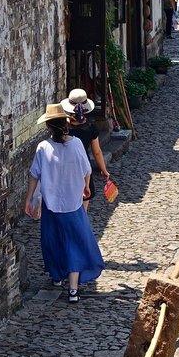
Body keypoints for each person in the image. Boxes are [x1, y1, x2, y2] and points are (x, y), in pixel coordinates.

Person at [24, 104, 104, 303]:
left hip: (51, 206)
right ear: (65, 122)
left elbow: (34, 174)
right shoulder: (76, 144)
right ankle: (74, 290)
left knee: (53, 241)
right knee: (74, 243)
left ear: (49, 127)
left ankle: (57, 276)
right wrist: (85, 187)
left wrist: (29, 199)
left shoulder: (43, 147)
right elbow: (87, 170)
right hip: (74, 204)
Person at [60, 89, 110, 211]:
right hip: (83, 167)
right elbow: (97, 151)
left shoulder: (62, 128)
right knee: (84, 199)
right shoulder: (91, 127)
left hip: (64, 167)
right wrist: (103, 170)